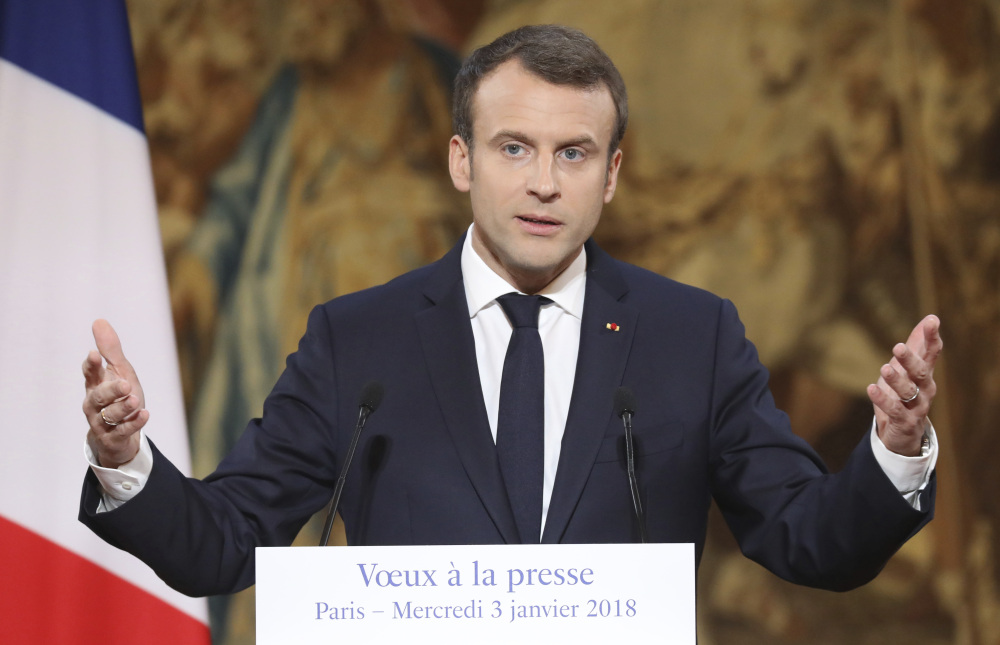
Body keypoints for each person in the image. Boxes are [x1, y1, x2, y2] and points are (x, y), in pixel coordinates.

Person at [80, 24, 941, 597]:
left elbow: (810, 538)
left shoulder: (693, 336)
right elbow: (223, 539)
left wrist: (895, 453)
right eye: (514, 147)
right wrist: (126, 461)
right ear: (462, 161)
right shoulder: (358, 339)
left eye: (574, 153)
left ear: (610, 175)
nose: (542, 182)